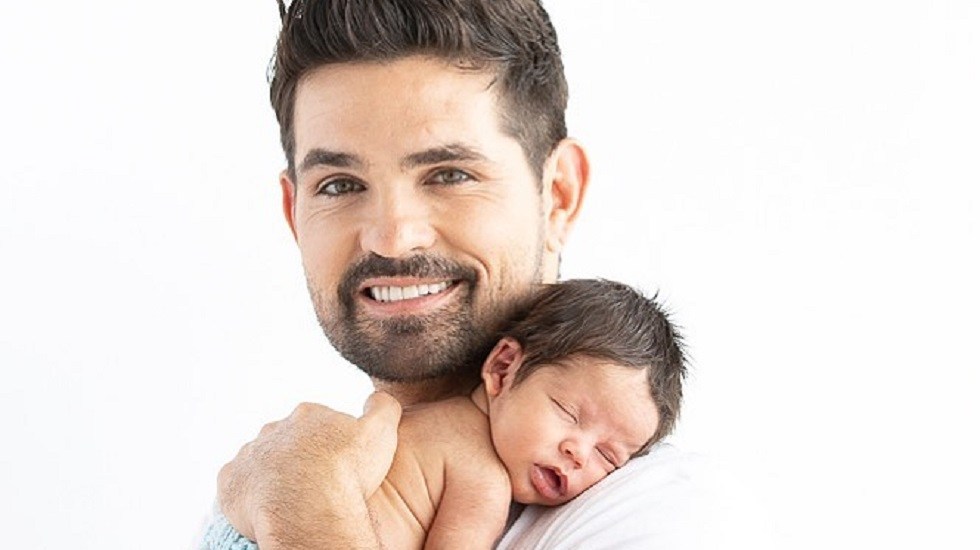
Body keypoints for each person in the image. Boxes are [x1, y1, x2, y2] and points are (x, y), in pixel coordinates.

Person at [204, 1, 771, 548]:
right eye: (339, 185)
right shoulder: (299, 473)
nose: (392, 236)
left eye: (449, 174)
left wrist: (307, 516)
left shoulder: (661, 517)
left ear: (559, 196)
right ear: (294, 215)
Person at [207, 279, 684, 548]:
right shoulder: (482, 478)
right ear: (503, 368)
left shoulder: (429, 416)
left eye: (608, 456)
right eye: (567, 412)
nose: (578, 452)